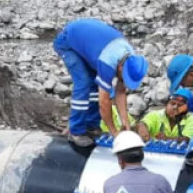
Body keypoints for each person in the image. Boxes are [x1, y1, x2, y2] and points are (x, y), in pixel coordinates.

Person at [53, 19, 149, 147]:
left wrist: (125, 122)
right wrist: (114, 132)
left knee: (93, 83)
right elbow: (104, 103)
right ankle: (76, 131)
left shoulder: (130, 58)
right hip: (68, 42)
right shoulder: (108, 62)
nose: (123, 79)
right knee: (84, 83)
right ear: (120, 67)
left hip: (90, 44)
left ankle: (91, 125)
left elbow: (120, 91)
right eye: (123, 77)